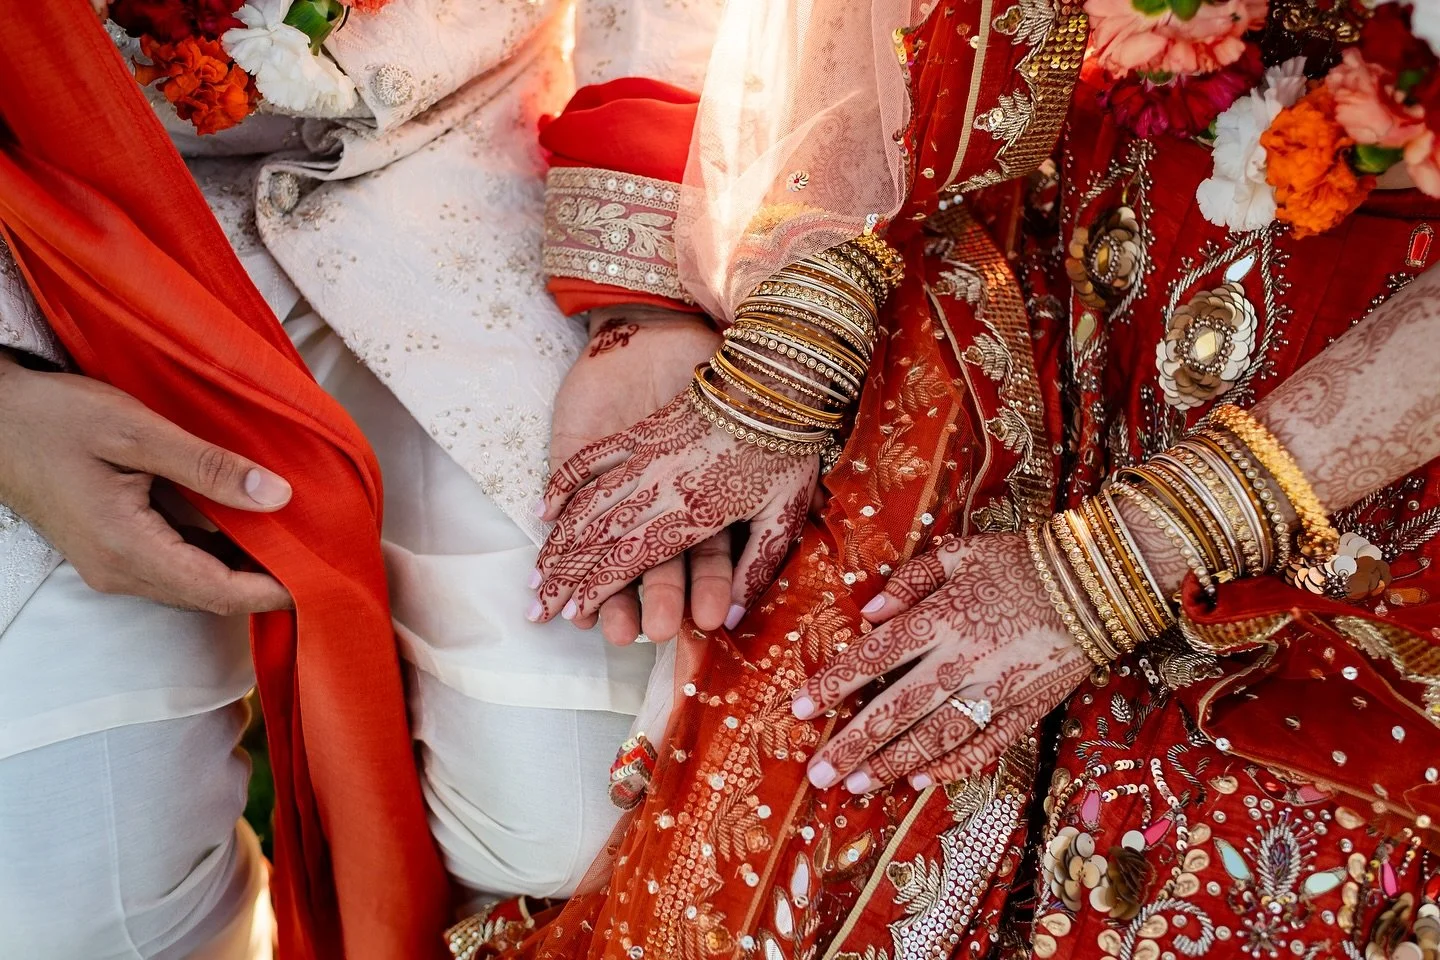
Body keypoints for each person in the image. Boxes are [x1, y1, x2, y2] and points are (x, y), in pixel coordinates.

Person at [494, 0, 1440, 956]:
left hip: (1367, 415)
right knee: (806, 739)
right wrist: (789, 347)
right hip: (1021, 232)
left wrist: (1128, 558)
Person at [0, 0, 723, 956]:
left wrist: (643, 294)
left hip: (461, 145)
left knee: (582, 822)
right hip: (37, 236)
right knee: (70, 903)